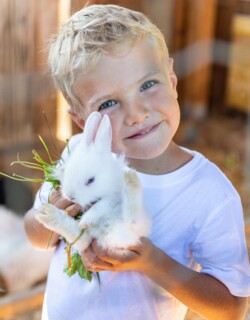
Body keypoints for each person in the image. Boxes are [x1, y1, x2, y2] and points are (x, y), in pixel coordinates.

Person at [24, 4, 250, 320]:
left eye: (147, 85)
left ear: (172, 79)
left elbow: (232, 309)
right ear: (82, 121)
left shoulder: (209, 192)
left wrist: (152, 262)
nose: (137, 114)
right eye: (109, 103)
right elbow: (35, 236)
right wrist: (51, 216)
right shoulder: (80, 156)